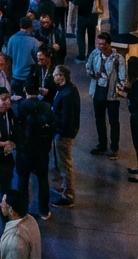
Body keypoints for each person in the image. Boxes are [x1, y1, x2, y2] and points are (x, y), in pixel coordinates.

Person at [12, 81, 55, 219]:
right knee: (43, 180)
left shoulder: (20, 106)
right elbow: (51, 128)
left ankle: (22, 211)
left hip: (24, 150)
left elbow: (16, 129)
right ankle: (43, 210)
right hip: (41, 151)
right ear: (39, 90)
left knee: (23, 180)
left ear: (25, 90)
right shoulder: (47, 107)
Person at [86, 33, 125, 159]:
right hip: (97, 93)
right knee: (99, 120)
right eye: (99, 43)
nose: (100, 46)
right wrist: (93, 74)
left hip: (112, 95)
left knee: (114, 122)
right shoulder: (95, 54)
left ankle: (114, 148)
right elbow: (88, 67)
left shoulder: (118, 58)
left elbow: (122, 77)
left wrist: (120, 88)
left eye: (103, 44)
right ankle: (102, 145)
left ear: (109, 44)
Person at [50, 65, 80, 207]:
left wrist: (58, 128)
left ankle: (68, 195)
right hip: (65, 133)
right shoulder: (69, 90)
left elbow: (66, 118)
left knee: (65, 164)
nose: (53, 76)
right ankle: (65, 187)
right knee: (64, 163)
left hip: (64, 135)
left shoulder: (66, 94)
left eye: (56, 75)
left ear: (62, 76)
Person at [0, 190, 41, 259]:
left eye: (3, 203)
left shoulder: (15, 243)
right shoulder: (31, 220)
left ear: (11, 209)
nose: (0, 204)